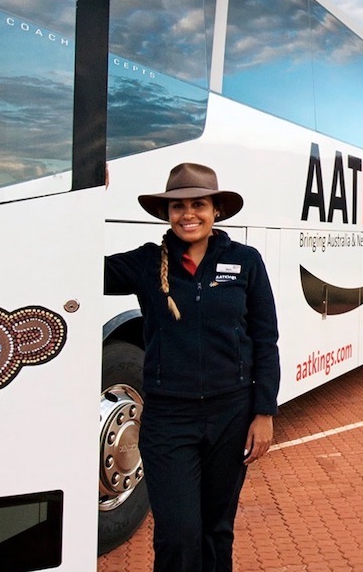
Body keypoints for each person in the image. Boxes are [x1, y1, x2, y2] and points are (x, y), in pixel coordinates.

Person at [104, 162, 281, 572]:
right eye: (178, 206)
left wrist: (264, 412)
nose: (188, 214)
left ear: (215, 210)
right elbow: (78, 266)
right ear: (167, 214)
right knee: (178, 534)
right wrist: (87, 195)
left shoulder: (246, 261)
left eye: (198, 204)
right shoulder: (146, 264)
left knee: (216, 530)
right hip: (169, 420)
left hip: (232, 416)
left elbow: (265, 340)